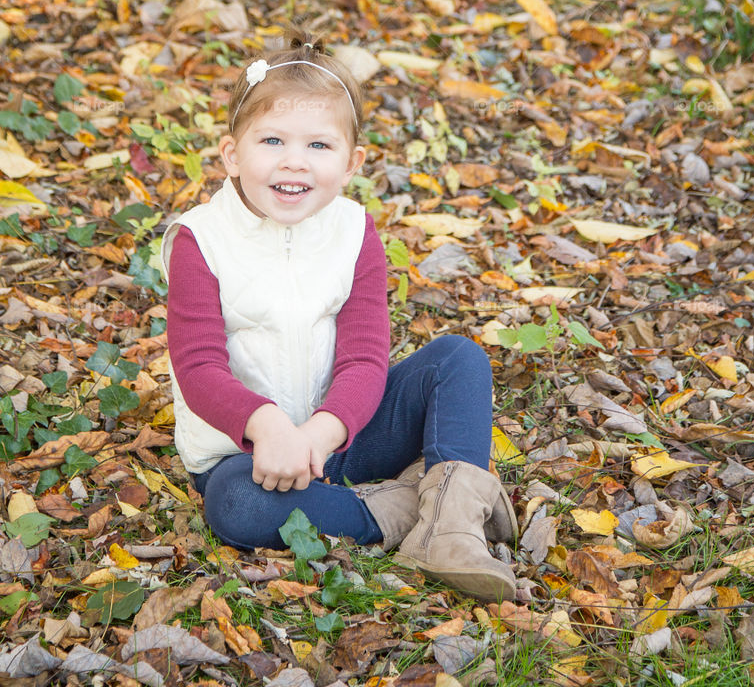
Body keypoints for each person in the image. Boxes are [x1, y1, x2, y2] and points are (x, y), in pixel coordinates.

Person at [164, 35, 516, 601]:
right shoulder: (200, 240)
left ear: (351, 163)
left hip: (344, 432)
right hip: (250, 454)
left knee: (459, 358)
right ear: (232, 154)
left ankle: (451, 527)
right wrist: (269, 427)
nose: (294, 161)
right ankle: (402, 509)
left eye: (319, 146)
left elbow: (364, 357)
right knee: (235, 505)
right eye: (272, 140)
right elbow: (198, 366)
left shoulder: (354, 232)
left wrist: (322, 434)